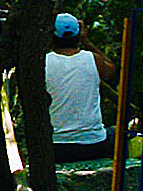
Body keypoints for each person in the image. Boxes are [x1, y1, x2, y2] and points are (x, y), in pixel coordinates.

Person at [45, 12, 117, 163]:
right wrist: (87, 41)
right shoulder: (93, 59)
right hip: (93, 144)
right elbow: (111, 71)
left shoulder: (42, 63)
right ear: (79, 35)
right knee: (117, 133)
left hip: (58, 145)